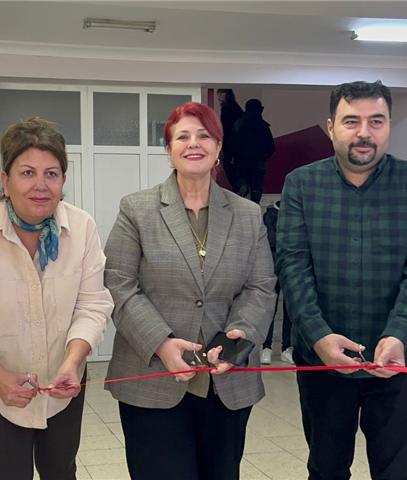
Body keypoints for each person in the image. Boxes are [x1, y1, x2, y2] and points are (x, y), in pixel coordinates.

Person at [276, 80, 407, 480]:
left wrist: (398, 334)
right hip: (322, 359)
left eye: (376, 121)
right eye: (351, 121)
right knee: (326, 469)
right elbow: (292, 265)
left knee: (398, 472)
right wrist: (318, 336)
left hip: (400, 359)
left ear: (389, 125)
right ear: (331, 126)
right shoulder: (301, 184)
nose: (364, 132)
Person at [104, 102, 277, 480]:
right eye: (182, 136)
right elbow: (119, 282)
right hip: (152, 377)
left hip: (227, 379)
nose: (193, 143)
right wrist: (162, 342)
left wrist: (240, 337)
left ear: (218, 148)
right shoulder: (137, 209)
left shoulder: (248, 215)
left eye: (204, 136)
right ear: (168, 150)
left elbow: (261, 286)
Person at [0, 117, 113, 480]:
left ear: (64, 181)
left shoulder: (82, 229)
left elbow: (92, 305)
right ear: (5, 180)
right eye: (27, 173)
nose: (41, 186)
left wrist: (72, 361)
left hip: (65, 384)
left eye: (51, 174)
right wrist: (0, 377)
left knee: (61, 471)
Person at [259, 200, 294, 365]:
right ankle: (267, 347)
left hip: (292, 268)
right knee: (270, 308)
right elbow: (271, 240)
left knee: (291, 311)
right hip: (271, 267)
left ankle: (287, 347)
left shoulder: (295, 212)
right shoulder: (269, 215)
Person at [226, 98, 276, 203]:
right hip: (258, 163)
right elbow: (271, 146)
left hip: (240, 162)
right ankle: (254, 207)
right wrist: (263, 157)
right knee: (256, 188)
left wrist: (232, 159)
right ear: (260, 110)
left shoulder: (238, 124)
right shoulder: (263, 126)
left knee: (241, 184)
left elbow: (231, 145)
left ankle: (241, 188)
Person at [217, 88, 243, 188]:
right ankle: (239, 184)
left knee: (228, 164)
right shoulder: (236, 108)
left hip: (229, 140)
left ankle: (236, 185)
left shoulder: (227, 108)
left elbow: (226, 126)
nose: (219, 97)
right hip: (237, 141)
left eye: (221, 94)